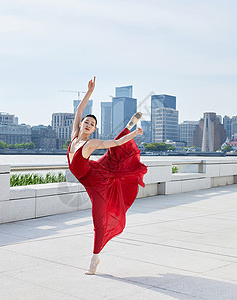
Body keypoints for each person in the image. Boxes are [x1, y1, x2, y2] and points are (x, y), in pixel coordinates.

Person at [67, 76, 147, 275]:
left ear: (94, 130)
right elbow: (79, 110)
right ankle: (128, 125)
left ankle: (94, 260)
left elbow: (115, 143)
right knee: (111, 159)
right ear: (81, 125)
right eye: (86, 122)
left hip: (97, 182)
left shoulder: (91, 143)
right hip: (92, 170)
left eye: (92, 124)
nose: (88, 124)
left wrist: (134, 135)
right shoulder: (74, 137)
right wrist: (90, 92)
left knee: (99, 221)